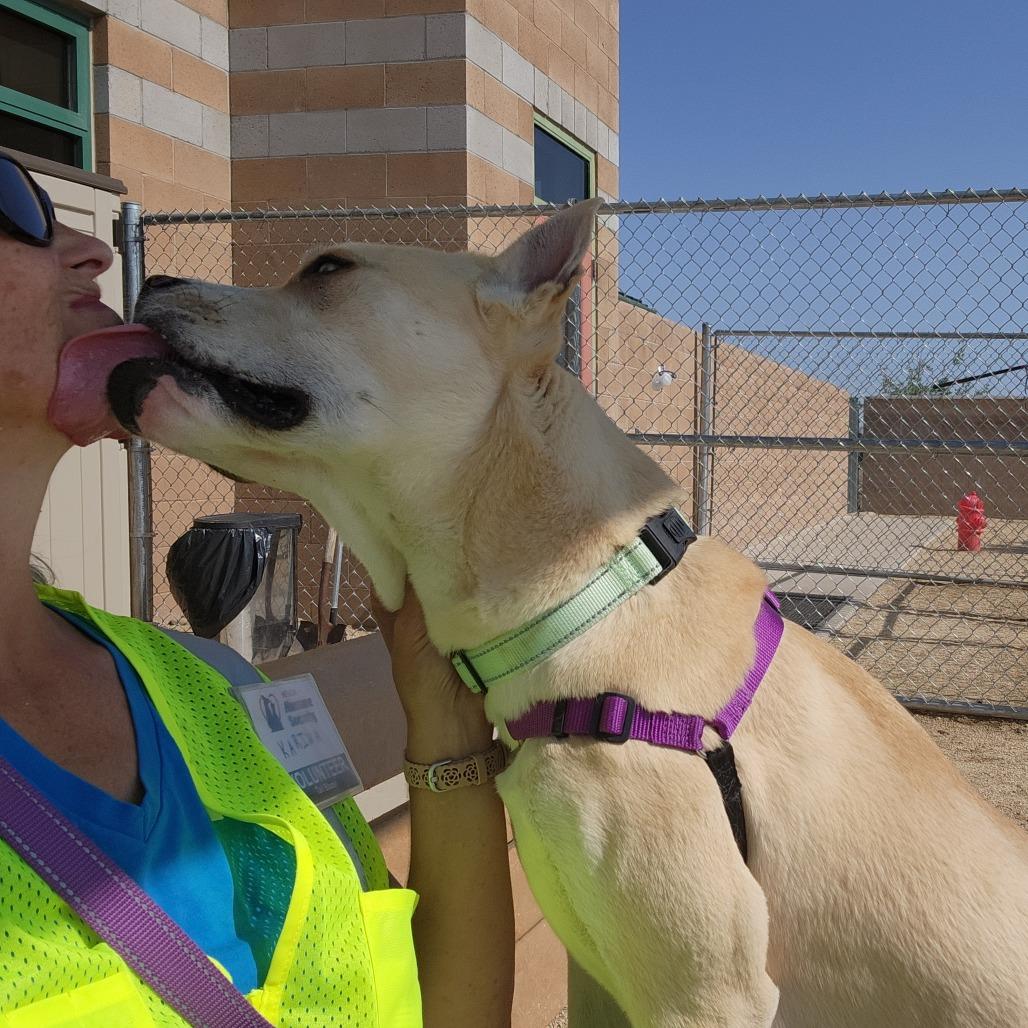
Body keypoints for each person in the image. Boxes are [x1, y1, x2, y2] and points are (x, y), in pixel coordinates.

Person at [0, 151, 515, 1026]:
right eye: (15, 206)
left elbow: (433, 1005)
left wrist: (443, 722)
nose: (90, 249)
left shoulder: (211, 687)